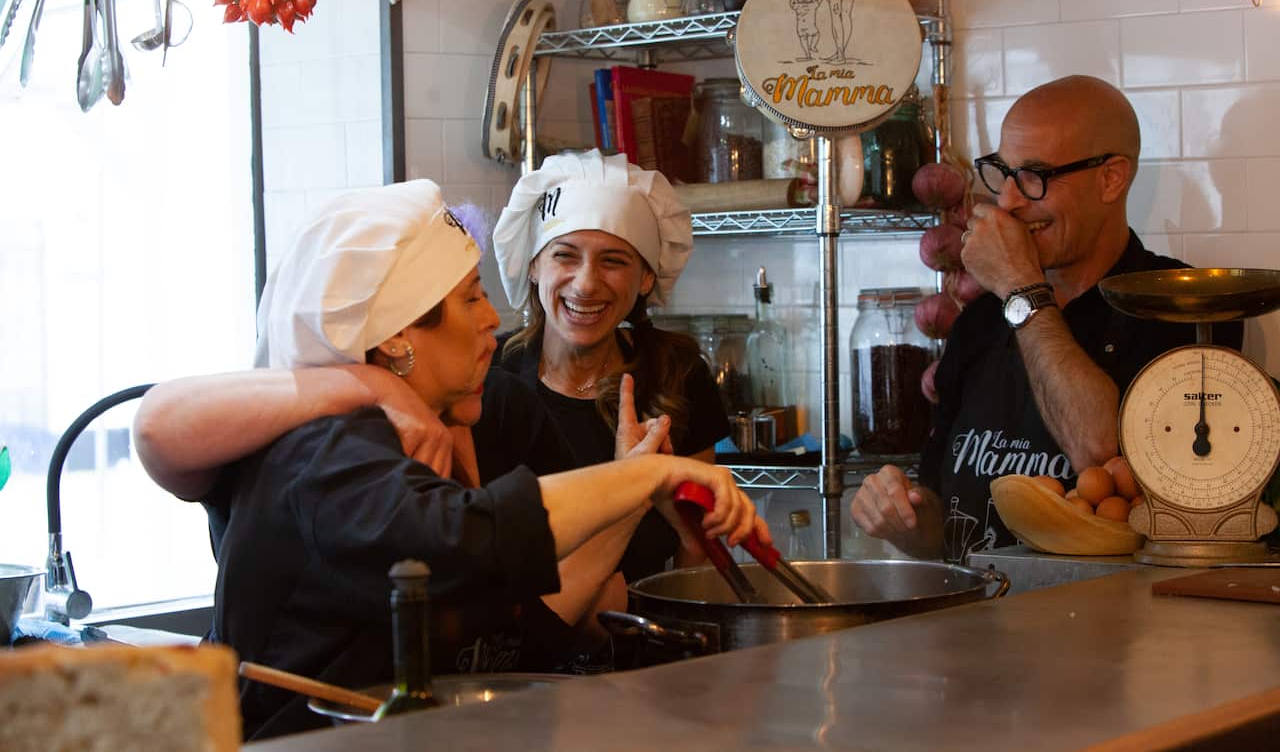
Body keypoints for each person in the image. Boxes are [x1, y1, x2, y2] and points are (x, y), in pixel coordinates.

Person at [134, 180, 764, 739]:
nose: (493, 319)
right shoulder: (329, 452)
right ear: (397, 335)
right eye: (470, 299)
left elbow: (513, 617)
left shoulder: (426, 428)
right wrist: (642, 474)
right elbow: (466, 534)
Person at [849, 75, 1243, 563]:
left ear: (1111, 178)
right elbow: (944, 519)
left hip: (1110, 629)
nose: (1010, 200)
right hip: (979, 631)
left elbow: (1106, 466)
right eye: (1003, 173)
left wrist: (1020, 287)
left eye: (1035, 175)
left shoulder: (1182, 307)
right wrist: (901, 518)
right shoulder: (980, 322)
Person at [490, 149, 731, 583]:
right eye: (565, 255)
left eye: (613, 261)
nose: (586, 283)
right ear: (532, 266)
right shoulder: (489, 376)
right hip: (523, 645)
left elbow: (698, 555)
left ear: (645, 278)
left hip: (651, 636)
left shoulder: (677, 374)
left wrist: (686, 527)